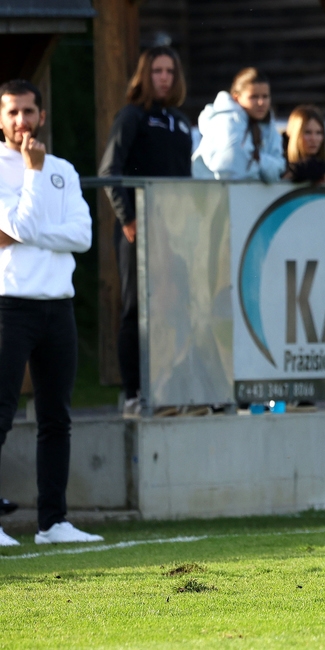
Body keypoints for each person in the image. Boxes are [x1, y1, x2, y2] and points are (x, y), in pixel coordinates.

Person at [0, 80, 103, 546]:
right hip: (9, 305)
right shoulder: (14, 168)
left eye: (28, 111)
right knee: (0, 413)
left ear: (42, 115)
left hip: (57, 306)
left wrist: (32, 230)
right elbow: (19, 224)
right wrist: (32, 174)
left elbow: (82, 237)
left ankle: (53, 523)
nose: (22, 121)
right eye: (13, 112)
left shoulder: (63, 168)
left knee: (56, 418)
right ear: (1, 118)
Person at [98, 46, 193, 417]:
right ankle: (133, 394)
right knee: (135, 309)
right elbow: (109, 171)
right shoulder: (132, 116)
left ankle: (171, 388)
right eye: (157, 70)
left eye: (170, 70)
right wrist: (128, 218)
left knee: (176, 309)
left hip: (175, 233)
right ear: (145, 74)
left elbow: (185, 181)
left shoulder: (182, 123)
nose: (164, 77)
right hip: (137, 230)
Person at [192, 67, 286, 182]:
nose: (261, 102)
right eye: (254, 97)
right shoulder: (227, 122)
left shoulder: (268, 125)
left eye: (265, 96)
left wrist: (256, 159)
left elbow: (279, 169)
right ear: (236, 98)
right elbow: (235, 171)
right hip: (214, 195)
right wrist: (262, 165)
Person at [282, 104, 325, 183]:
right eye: (307, 132)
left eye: (319, 133)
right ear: (295, 134)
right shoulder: (279, 160)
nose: (314, 139)